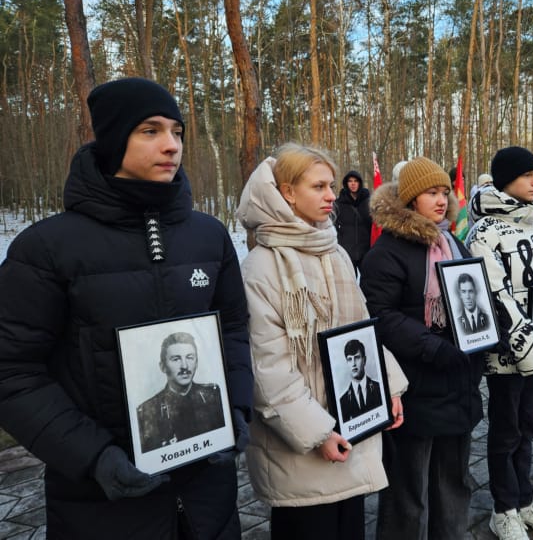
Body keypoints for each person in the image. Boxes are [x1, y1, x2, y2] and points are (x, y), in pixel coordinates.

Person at [0, 77, 253, 538]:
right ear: (115, 139)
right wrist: (92, 456)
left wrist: (235, 406)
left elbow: (233, 329)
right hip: (101, 505)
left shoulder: (208, 235)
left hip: (207, 500)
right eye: (151, 131)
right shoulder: (46, 247)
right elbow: (13, 370)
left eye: (177, 131)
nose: (171, 145)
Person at [237, 144, 406, 540]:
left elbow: (362, 328)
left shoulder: (335, 253)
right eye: (319, 186)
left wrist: (388, 388)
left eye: (331, 185)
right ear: (287, 192)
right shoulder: (261, 266)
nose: (332, 195)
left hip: (352, 429)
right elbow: (267, 369)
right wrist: (317, 433)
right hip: (303, 448)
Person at [360, 157, 484, 540]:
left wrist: (484, 330)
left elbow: (474, 298)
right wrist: (433, 347)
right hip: (415, 383)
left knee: (453, 480)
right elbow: (381, 315)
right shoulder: (389, 251)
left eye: (445, 191)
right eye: (432, 192)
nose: (442, 199)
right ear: (412, 198)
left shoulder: (454, 243)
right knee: (409, 489)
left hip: (457, 380)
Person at [466, 146, 533, 539]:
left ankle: (525, 499)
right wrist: (522, 339)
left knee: (528, 427)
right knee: (506, 428)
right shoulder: (484, 232)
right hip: (507, 353)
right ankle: (503, 507)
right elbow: (495, 292)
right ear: (505, 178)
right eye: (529, 175)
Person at [137, 332, 225, 452]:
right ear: (162, 366)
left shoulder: (213, 396)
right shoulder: (146, 412)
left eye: (190, 357)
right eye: (176, 359)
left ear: (197, 362)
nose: (185, 366)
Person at [334, 170, 372, 272]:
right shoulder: (338, 203)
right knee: (349, 283)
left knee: (367, 281)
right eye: (350, 181)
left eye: (356, 181)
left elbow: (374, 225)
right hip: (346, 251)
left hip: (366, 250)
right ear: (346, 183)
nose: (353, 183)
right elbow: (333, 225)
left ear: (360, 183)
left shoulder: (369, 202)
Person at [339, 339, 383, 422]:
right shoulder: (342, 402)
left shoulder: (380, 389)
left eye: (357, 357)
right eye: (349, 359)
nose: (353, 364)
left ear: (364, 360)